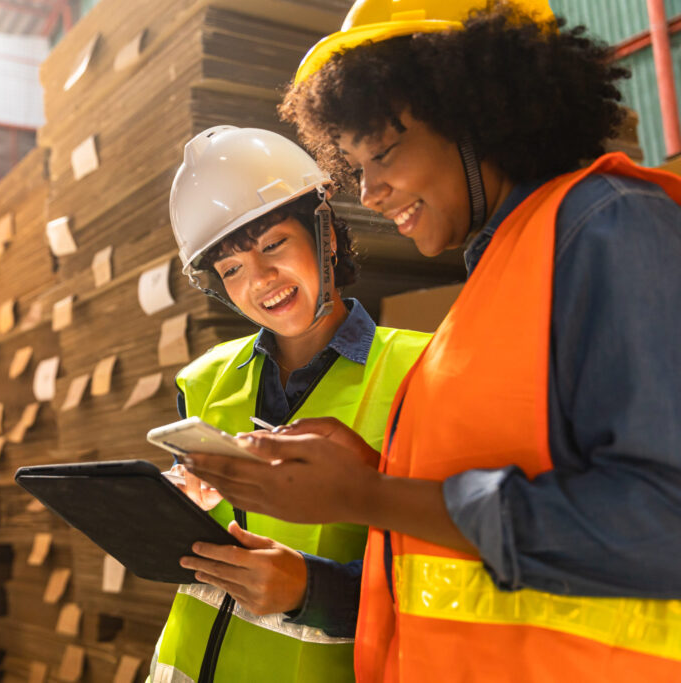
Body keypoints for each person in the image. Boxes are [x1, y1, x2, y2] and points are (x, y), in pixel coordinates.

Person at [182, 1, 681, 681]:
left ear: (481, 109)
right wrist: (377, 470)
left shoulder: (609, 228)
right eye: (355, 166)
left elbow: (663, 521)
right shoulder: (501, 273)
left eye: (382, 152)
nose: (372, 191)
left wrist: (366, 496)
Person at [148, 125, 430, 683]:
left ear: (324, 233)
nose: (260, 280)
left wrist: (311, 590)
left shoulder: (420, 373)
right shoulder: (202, 379)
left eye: (273, 244)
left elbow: (439, 569)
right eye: (231, 269)